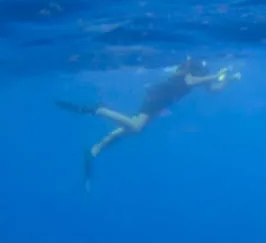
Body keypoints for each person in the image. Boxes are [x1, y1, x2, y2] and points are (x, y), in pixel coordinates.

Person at [56, 57, 239, 190]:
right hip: (159, 95)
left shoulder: (202, 76)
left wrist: (229, 80)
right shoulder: (190, 73)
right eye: (203, 71)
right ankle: (100, 110)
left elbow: (214, 91)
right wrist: (216, 75)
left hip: (163, 100)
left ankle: (97, 147)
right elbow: (192, 80)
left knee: (133, 126)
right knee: (136, 127)